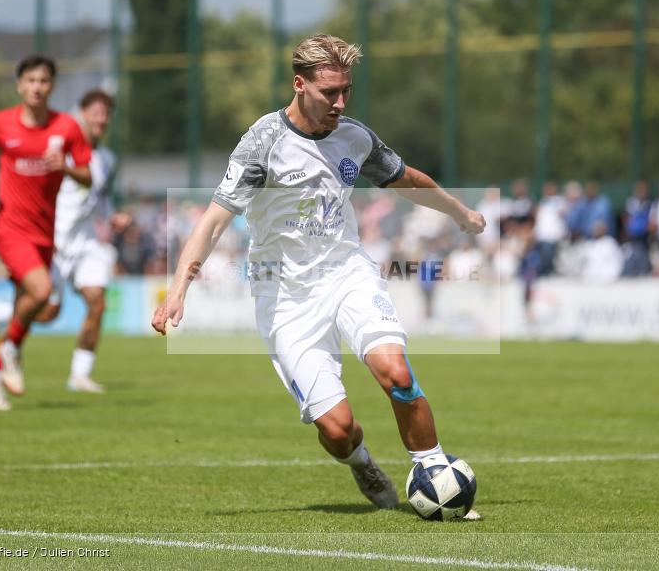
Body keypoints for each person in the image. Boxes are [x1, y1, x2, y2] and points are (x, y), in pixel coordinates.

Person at [151, 35, 485, 515]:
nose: (340, 102)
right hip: (283, 296)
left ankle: (433, 471)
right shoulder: (262, 144)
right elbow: (212, 222)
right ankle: (361, 462)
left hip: (346, 271)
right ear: (300, 83)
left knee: (396, 373)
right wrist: (178, 288)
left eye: (346, 90)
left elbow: (406, 178)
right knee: (338, 427)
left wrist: (460, 212)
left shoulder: (353, 136)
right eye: (330, 92)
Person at [0, 55, 92, 412]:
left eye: (44, 81)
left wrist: (67, 168)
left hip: (44, 233)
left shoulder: (67, 127)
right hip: (9, 228)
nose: (37, 87)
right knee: (42, 292)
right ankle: (8, 350)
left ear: (51, 86)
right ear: (19, 85)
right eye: (31, 80)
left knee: (39, 308)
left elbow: (89, 176)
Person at [0, 89, 117, 394]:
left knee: (97, 301)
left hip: (86, 243)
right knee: (47, 311)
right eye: (95, 112)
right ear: (81, 113)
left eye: (107, 113)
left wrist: (113, 217)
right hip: (54, 240)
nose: (101, 119)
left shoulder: (107, 159)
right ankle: (3, 313)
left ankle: (79, 375)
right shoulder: (58, 144)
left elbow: (100, 198)